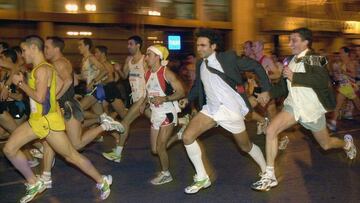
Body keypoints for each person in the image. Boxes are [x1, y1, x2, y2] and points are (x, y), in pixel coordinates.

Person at [3, 35, 112, 203]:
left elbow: (39, 97)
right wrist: (52, 101)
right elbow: (63, 82)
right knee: (10, 149)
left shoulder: (41, 69)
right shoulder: (44, 67)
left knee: (70, 155)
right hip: (40, 119)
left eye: (24, 50)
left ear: (33, 48)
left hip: (46, 122)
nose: (22, 55)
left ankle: (102, 180)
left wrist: (21, 84)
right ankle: (34, 182)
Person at [251, 28, 357, 192]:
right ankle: (269, 175)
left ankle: (346, 143)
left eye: (294, 40)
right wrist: (269, 93)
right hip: (293, 107)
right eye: (290, 39)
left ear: (306, 42)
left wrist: (295, 76)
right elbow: (282, 86)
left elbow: (322, 80)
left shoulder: (317, 58)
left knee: (326, 144)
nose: (290, 43)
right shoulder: (289, 60)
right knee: (271, 130)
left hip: (311, 109)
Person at [180, 29, 271, 194]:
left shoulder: (227, 58)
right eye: (197, 45)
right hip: (211, 109)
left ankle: (266, 171)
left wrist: (265, 90)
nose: (199, 48)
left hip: (230, 110)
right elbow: (198, 86)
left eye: (203, 45)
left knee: (245, 146)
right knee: (187, 136)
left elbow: (255, 66)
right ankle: (202, 177)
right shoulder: (200, 63)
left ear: (213, 46)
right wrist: (188, 98)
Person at [142, 45, 185, 185]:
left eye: (149, 54)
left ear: (157, 57)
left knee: (161, 147)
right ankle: (178, 136)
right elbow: (149, 92)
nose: (146, 57)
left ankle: (166, 174)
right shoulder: (147, 73)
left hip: (168, 112)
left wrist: (164, 99)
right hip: (155, 113)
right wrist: (145, 103)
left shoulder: (167, 73)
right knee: (155, 149)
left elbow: (181, 92)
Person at [102, 35, 148, 162]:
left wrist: (146, 99)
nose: (128, 46)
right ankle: (182, 121)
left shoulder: (145, 60)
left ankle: (117, 153)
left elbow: (151, 78)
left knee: (125, 122)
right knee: (157, 120)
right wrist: (118, 70)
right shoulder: (128, 59)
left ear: (138, 45)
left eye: (131, 44)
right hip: (135, 97)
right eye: (128, 44)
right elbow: (124, 76)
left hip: (144, 97)